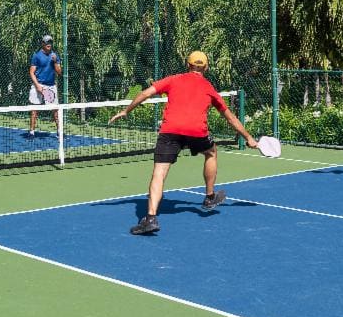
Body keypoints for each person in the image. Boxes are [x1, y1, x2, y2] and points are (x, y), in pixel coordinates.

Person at [109, 50, 258, 235]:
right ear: (206, 67)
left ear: (187, 65)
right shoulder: (209, 88)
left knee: (159, 173)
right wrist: (249, 138)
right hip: (197, 132)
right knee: (211, 152)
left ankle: (150, 218)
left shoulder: (174, 79)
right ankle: (210, 197)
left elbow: (146, 93)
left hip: (170, 131)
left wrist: (126, 111)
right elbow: (230, 118)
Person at [28, 34, 62, 137]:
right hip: (38, 85)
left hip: (51, 86)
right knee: (34, 110)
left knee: (55, 110)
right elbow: (31, 72)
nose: (49, 44)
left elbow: (59, 72)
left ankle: (59, 132)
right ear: (43, 43)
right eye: (47, 42)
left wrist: (55, 61)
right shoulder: (36, 56)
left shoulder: (55, 56)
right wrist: (37, 85)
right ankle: (32, 132)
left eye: (50, 42)